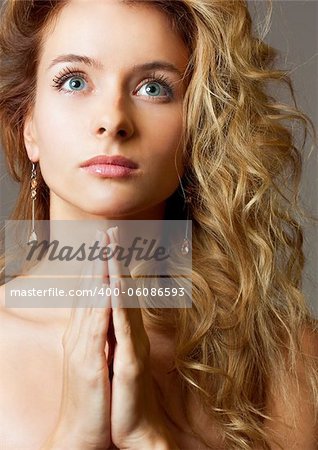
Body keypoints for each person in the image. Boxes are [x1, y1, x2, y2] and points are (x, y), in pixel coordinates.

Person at [0, 0, 317, 449]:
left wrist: (148, 439)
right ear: (28, 124)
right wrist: (74, 437)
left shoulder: (284, 354)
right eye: (74, 81)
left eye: (154, 88)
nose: (113, 120)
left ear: (196, 129)